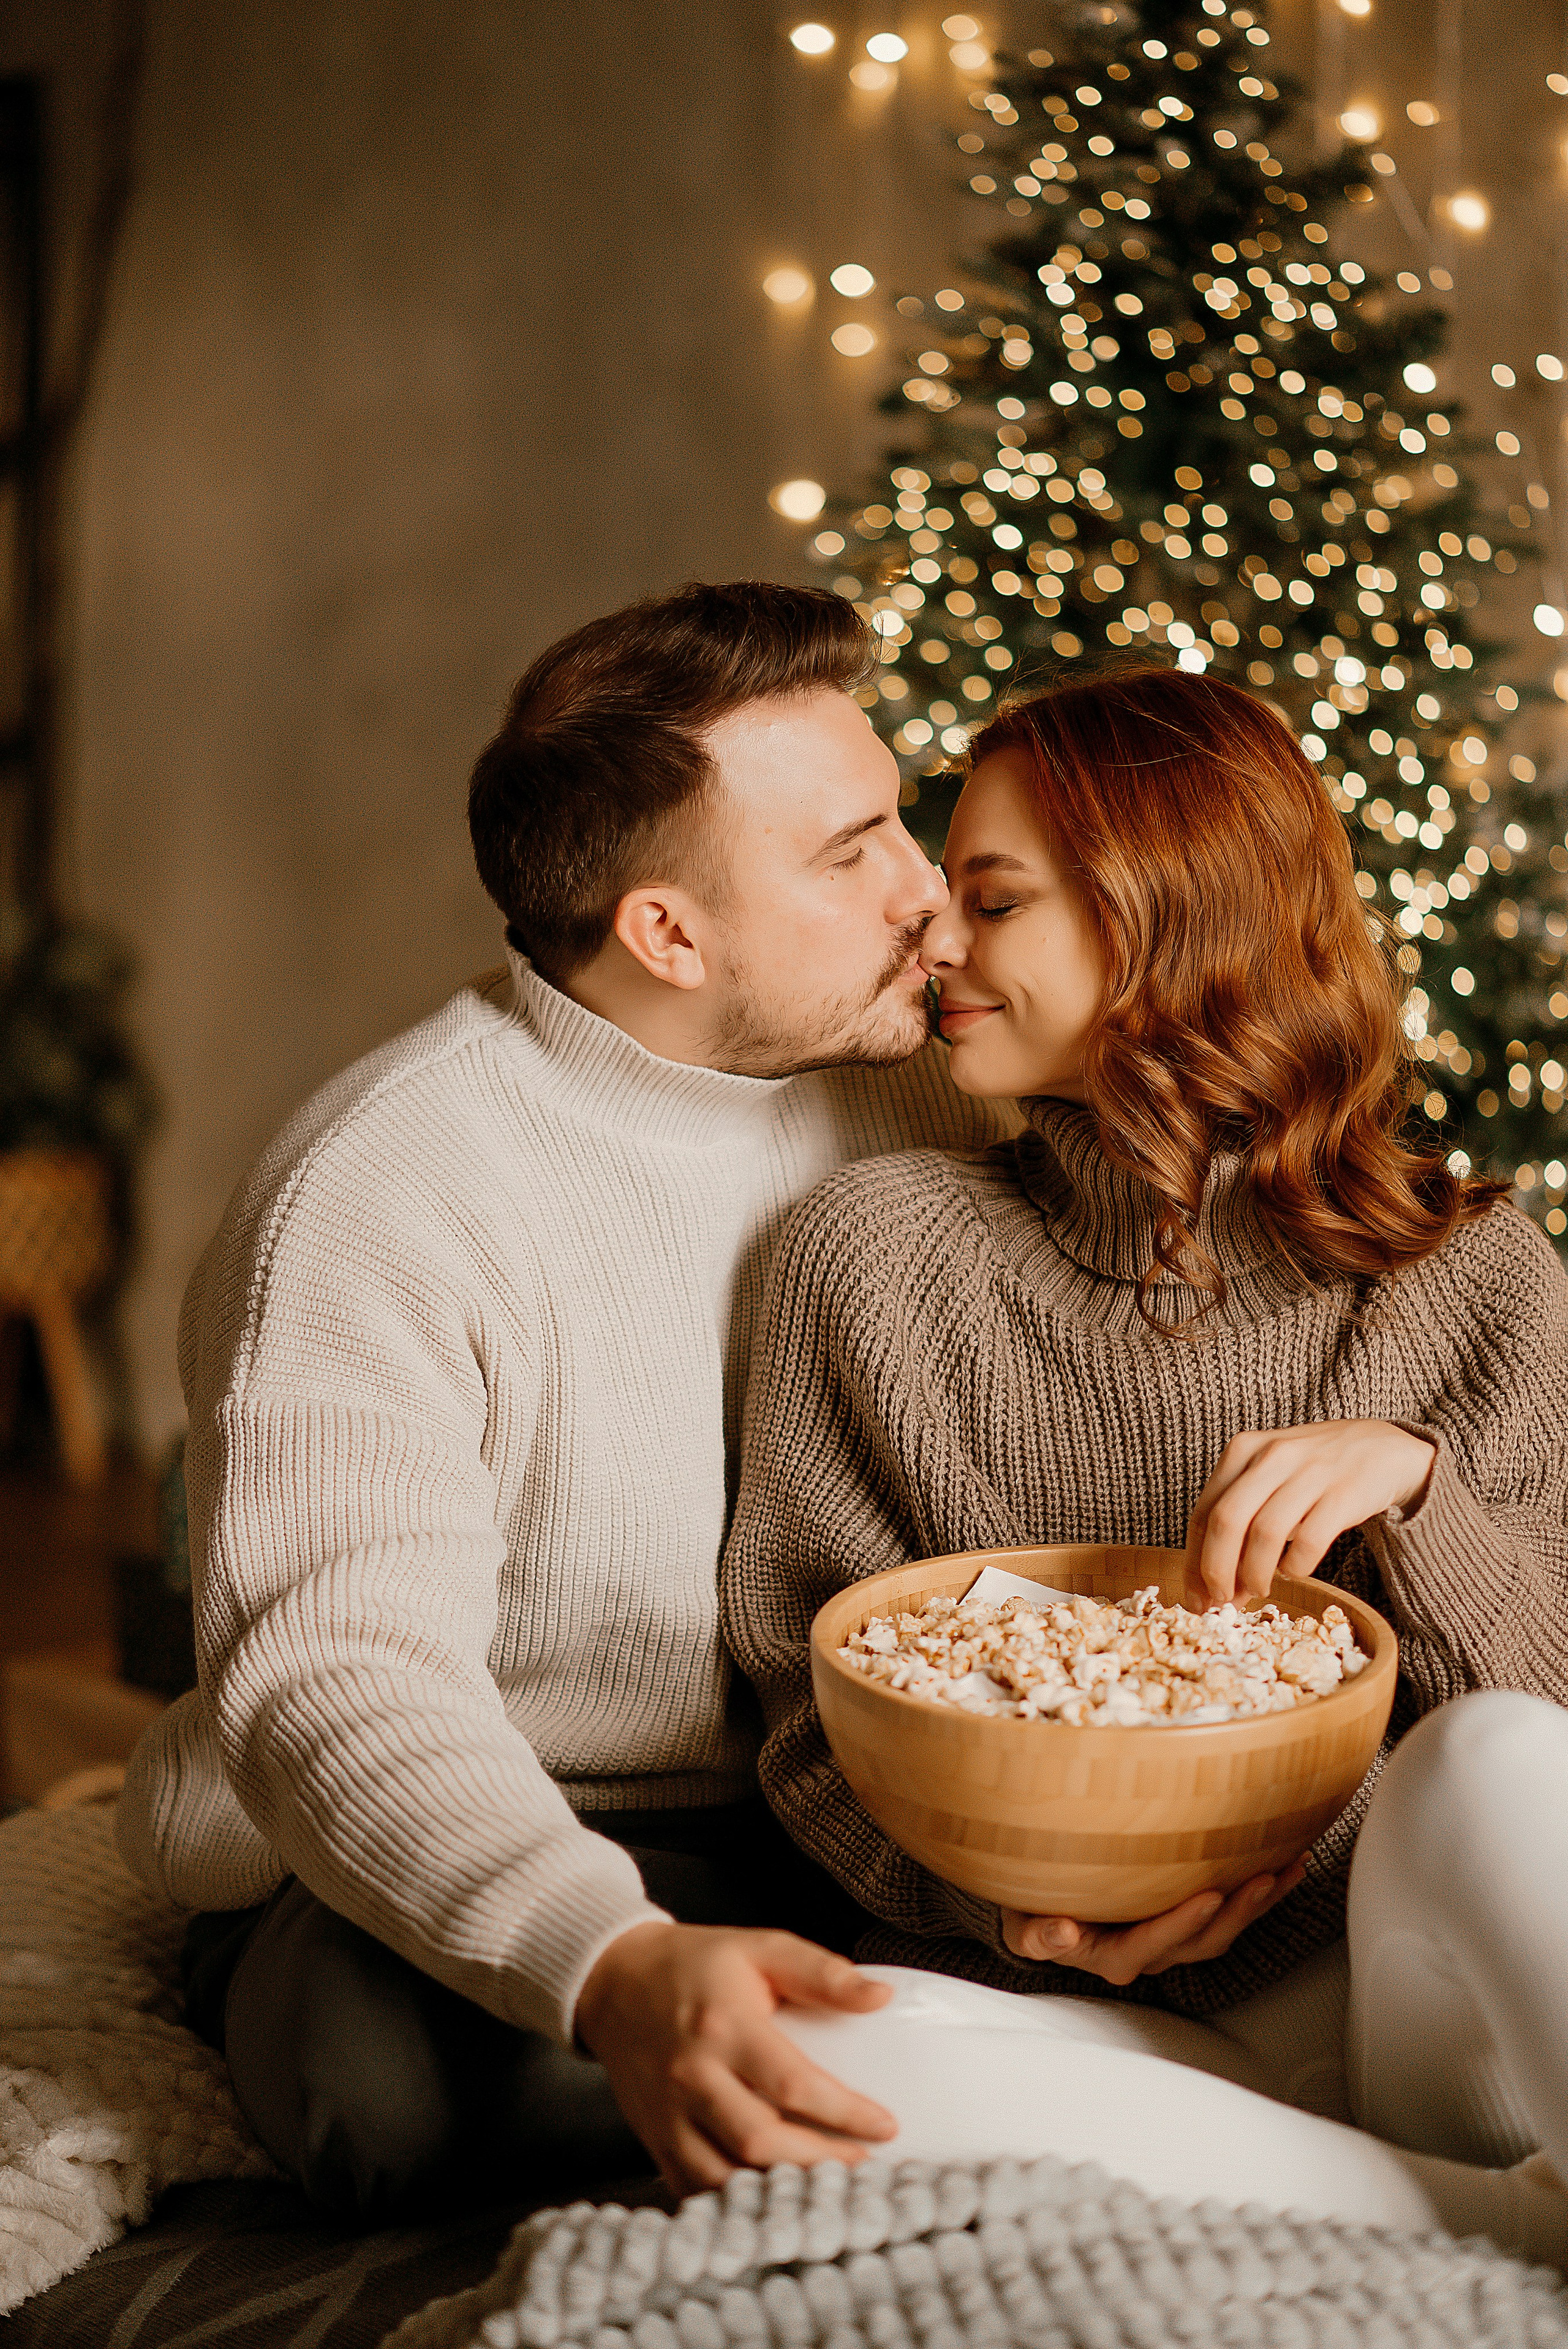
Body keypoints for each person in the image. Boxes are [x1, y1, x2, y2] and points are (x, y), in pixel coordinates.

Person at [115, 580, 1019, 2217]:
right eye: (853, 851)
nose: (928, 889)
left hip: (843, 1803)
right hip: (481, 1808)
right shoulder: (380, 1188)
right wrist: (609, 1960)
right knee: (384, 2100)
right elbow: (339, 1678)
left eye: (908, 817)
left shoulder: (937, 1096)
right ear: (666, 932)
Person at [722, 665, 1568, 2250]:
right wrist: (1013, 1911)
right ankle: (1502, 2227)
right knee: (791, 2062)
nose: (939, 943)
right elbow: (805, 1722)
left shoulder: (1473, 1268)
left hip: (1426, 1995)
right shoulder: (870, 1257)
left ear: (1163, 910)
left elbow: (1558, 1753)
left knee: (1491, 1762)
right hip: (1102, 2025)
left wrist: (1419, 1495)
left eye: (994, 898)